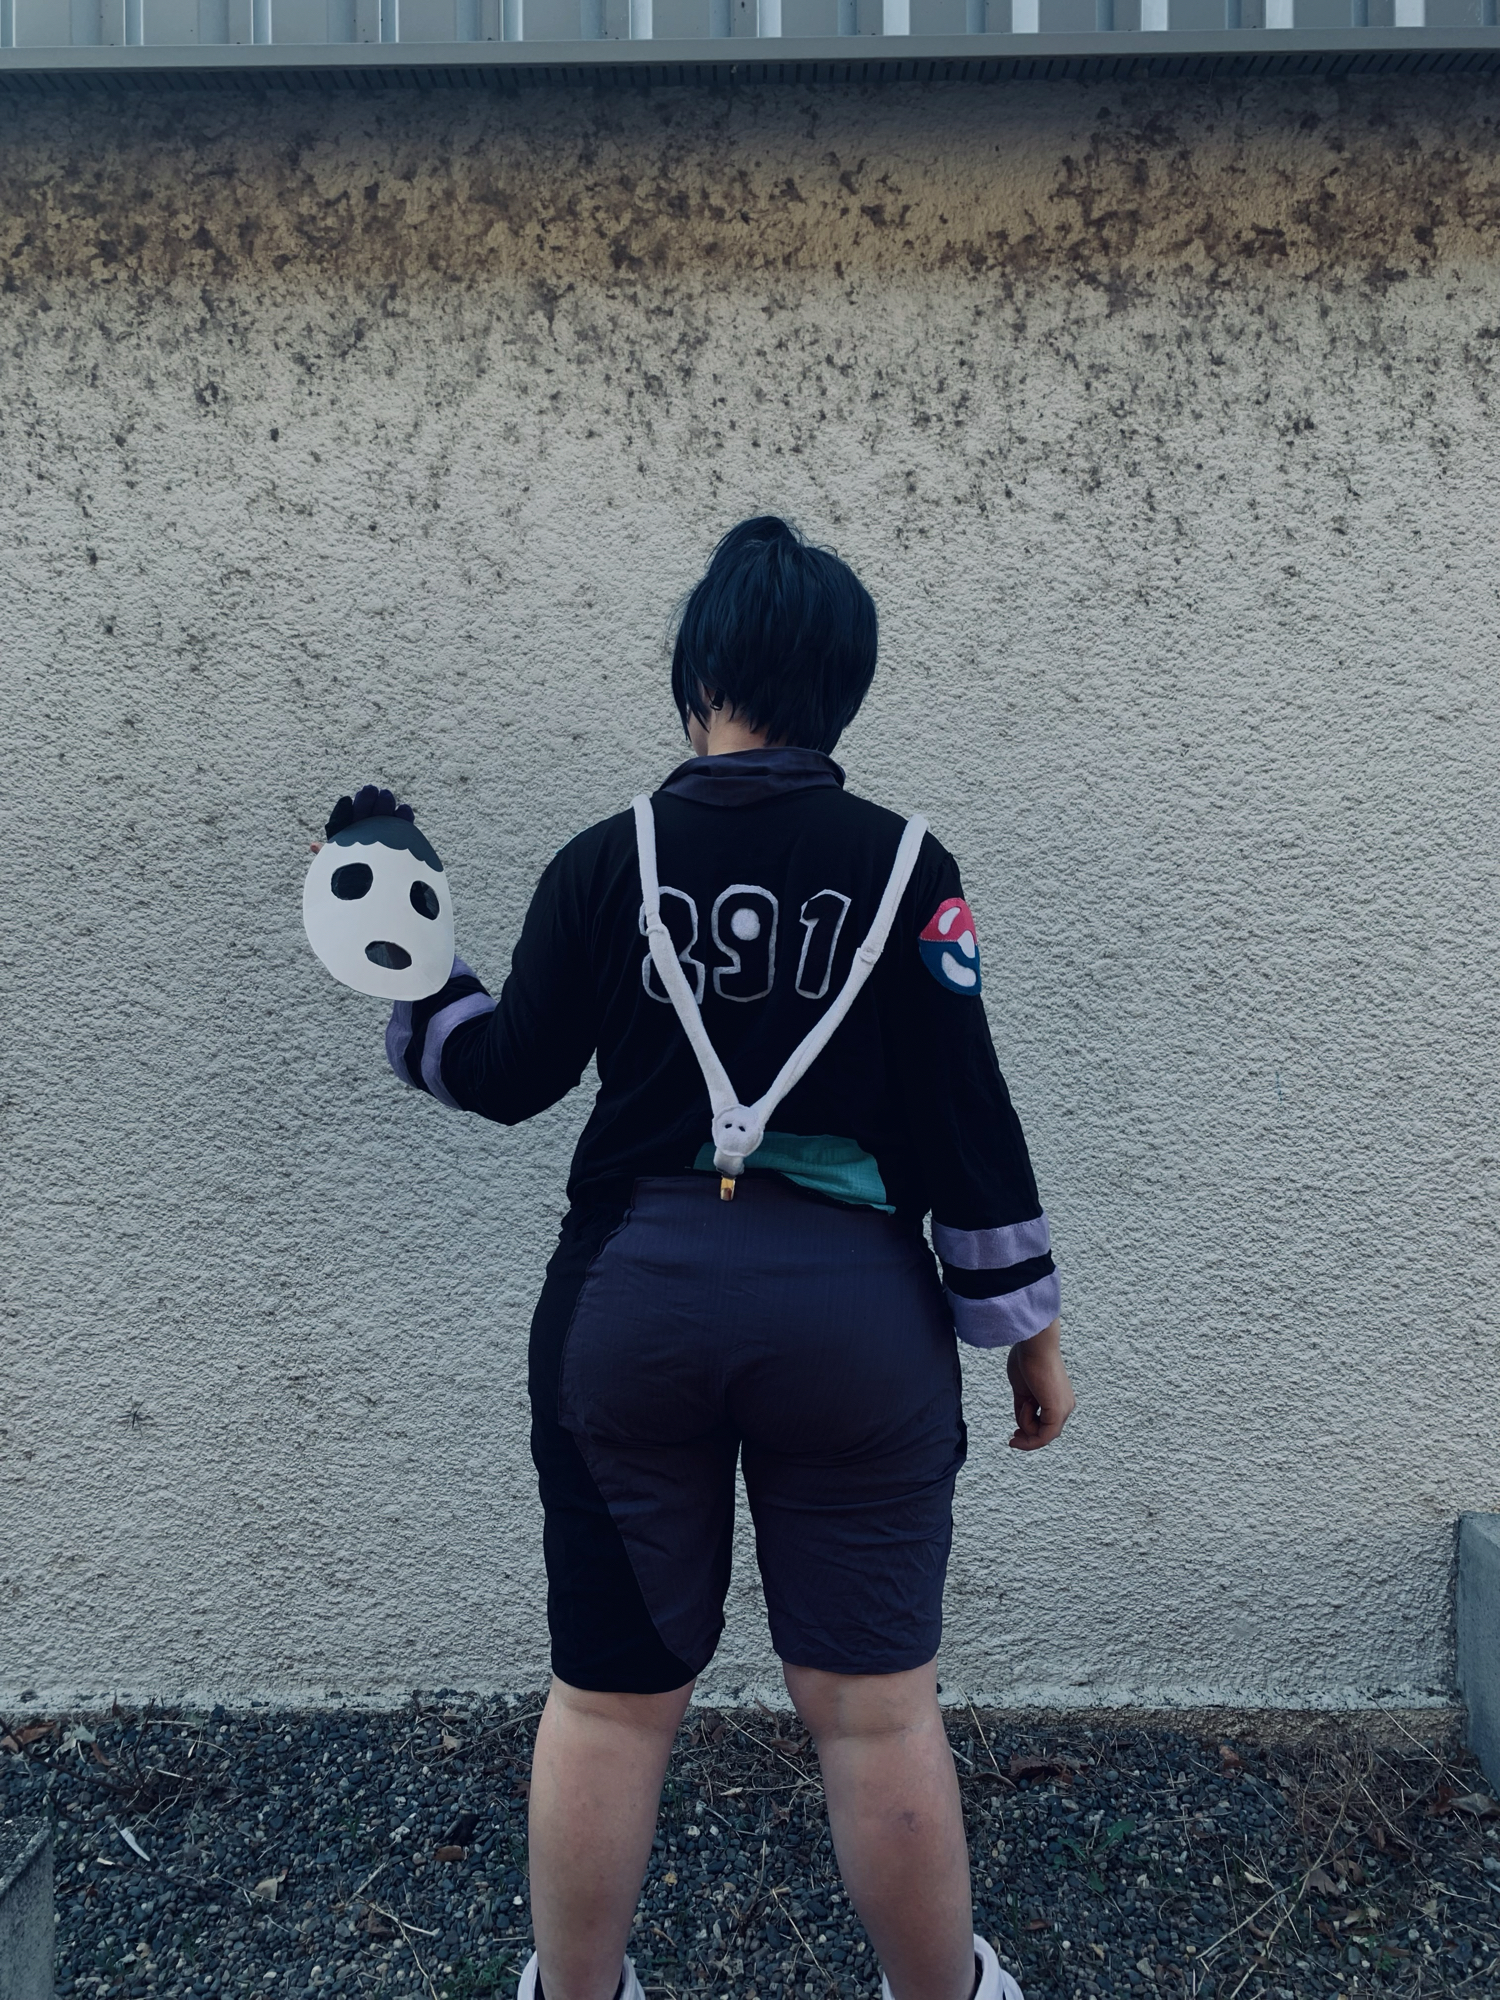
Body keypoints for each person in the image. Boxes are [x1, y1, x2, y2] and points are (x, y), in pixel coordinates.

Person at [345, 516, 1076, 2000]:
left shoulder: (603, 860)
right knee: (878, 1714)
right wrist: (1029, 1338)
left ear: (698, 681)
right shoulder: (910, 866)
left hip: (630, 1305)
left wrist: (404, 965)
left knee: (610, 1706)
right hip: (855, 1320)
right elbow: (967, 1119)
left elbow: (504, 1072)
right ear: (843, 691)